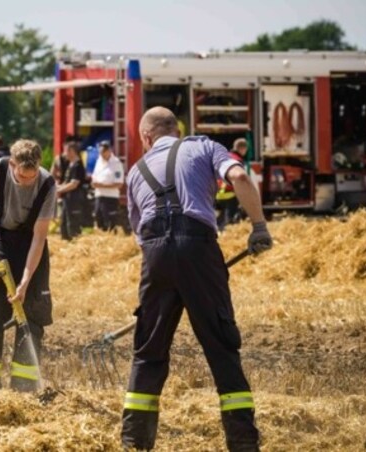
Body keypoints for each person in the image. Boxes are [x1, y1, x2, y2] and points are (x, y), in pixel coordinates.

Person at [121, 107, 273, 451]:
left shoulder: (134, 172)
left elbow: (140, 236)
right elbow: (240, 178)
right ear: (177, 129)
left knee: (149, 351)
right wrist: (259, 226)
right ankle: (243, 442)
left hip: (156, 255)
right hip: (199, 247)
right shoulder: (205, 146)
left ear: (146, 137)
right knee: (221, 346)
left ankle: (133, 443)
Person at [0, 139, 56, 392]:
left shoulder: (48, 184)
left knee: (33, 314)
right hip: (1, 243)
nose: (28, 182)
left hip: (31, 245)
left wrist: (26, 281)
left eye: (32, 176)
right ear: (12, 165)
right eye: (22, 176)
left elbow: (39, 237)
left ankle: (24, 387)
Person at [90, 140, 124, 231]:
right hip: (99, 195)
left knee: (110, 221)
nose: (102, 154)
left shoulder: (116, 163)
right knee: (98, 218)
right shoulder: (99, 162)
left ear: (109, 150)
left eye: (103, 151)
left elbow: (119, 184)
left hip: (110, 197)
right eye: (100, 152)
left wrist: (101, 185)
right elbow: (94, 177)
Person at [216, 138, 248, 231]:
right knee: (229, 219)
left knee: (221, 217)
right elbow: (239, 178)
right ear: (242, 148)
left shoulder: (226, 156)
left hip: (219, 193)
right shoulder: (238, 160)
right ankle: (224, 234)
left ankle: (217, 230)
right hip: (230, 193)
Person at [55, 141, 86, 240]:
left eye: (66, 151)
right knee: (64, 223)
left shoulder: (77, 165)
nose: (64, 154)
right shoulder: (70, 164)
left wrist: (59, 190)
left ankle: (75, 243)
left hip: (74, 199)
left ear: (72, 151)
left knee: (73, 224)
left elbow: (74, 184)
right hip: (67, 199)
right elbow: (67, 182)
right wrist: (57, 188)